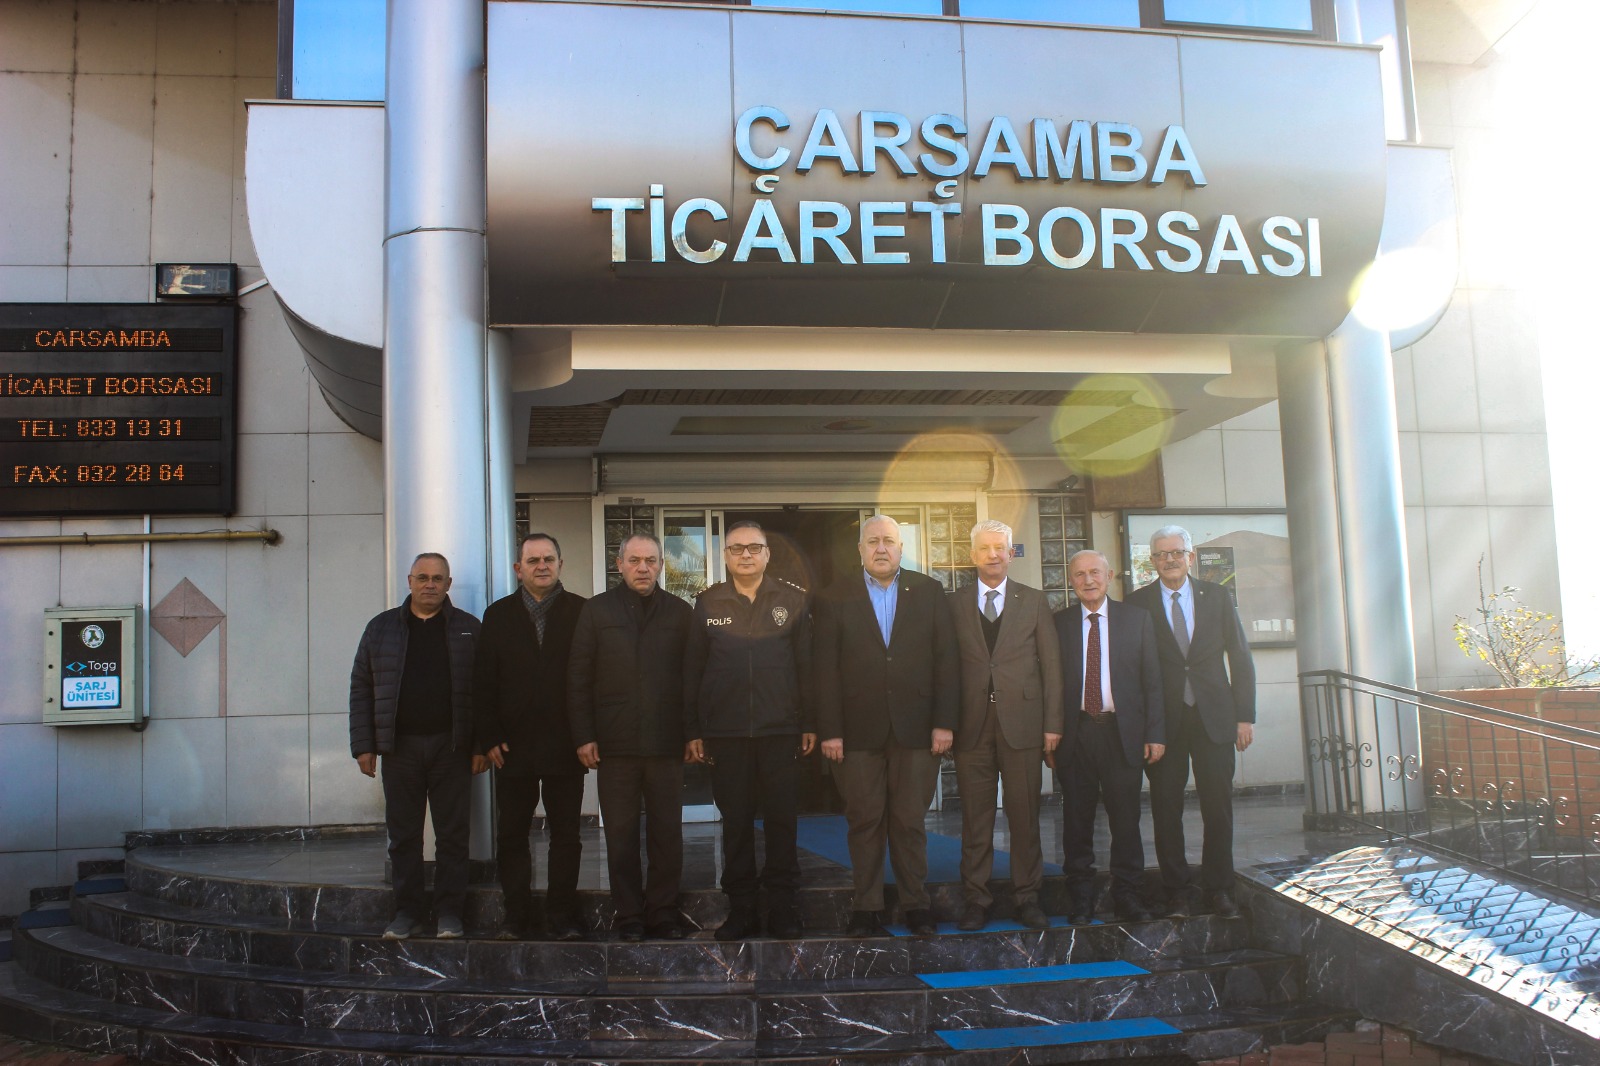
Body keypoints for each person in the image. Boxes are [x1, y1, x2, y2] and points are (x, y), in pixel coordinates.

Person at [814, 514, 959, 937]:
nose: (881, 548)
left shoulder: (929, 591)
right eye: (873, 541)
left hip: (917, 728)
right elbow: (824, 669)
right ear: (860, 549)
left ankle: (916, 905)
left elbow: (947, 660)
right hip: (855, 732)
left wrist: (944, 722)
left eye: (889, 541)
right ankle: (867, 906)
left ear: (901, 548)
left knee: (910, 822)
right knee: (864, 821)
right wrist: (830, 730)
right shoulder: (833, 596)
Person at [684, 520, 817, 941]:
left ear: (767, 554)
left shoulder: (792, 600)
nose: (745, 555)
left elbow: (806, 667)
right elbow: (692, 672)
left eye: (754, 548)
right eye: (737, 548)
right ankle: (741, 910)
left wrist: (809, 722)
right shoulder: (707, 603)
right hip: (726, 734)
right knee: (736, 825)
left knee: (782, 822)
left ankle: (783, 910)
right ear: (725, 556)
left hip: (780, 731)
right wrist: (694, 729)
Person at [349, 552, 482, 941]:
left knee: (452, 835)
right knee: (404, 835)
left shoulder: (469, 629)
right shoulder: (381, 629)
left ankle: (450, 914)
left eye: (437, 578)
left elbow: (484, 691)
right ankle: (407, 913)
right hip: (399, 749)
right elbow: (361, 687)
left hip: (451, 748)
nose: (430, 585)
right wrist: (364, 745)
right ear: (409, 581)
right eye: (422, 577)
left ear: (448, 584)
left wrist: (480, 745)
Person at [1126, 525, 1256, 919]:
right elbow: (1132, 669)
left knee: (1218, 807)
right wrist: (1142, 728)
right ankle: (1177, 893)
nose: (1169, 560)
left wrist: (1245, 716)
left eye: (1176, 552)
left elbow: (1240, 656)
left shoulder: (1216, 597)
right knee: (1166, 809)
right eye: (1161, 554)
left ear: (1190, 557)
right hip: (1163, 724)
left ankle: (1220, 890)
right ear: (1152, 561)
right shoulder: (1137, 603)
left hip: (1215, 718)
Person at [568, 533, 694, 941]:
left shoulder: (680, 612)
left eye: (651, 560)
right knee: (620, 836)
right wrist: (584, 735)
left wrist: (692, 733)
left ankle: (663, 913)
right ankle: (629, 916)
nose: (643, 568)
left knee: (666, 835)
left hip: (666, 743)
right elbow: (579, 677)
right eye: (635, 560)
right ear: (619, 564)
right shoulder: (596, 611)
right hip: (615, 743)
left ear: (661, 566)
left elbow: (692, 678)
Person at [948, 519, 1064, 931]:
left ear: (1011, 553)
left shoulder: (1033, 600)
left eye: (1000, 547)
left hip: (1024, 725)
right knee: (975, 818)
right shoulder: (954, 604)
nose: (993, 554)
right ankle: (976, 900)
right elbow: (945, 667)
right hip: (971, 726)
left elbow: (1051, 665)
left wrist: (1052, 725)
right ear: (972, 555)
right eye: (985, 548)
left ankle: (1027, 898)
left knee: (1024, 815)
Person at [474, 532, 588, 941]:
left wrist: (588, 735)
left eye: (549, 559)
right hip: (512, 747)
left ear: (560, 564)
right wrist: (488, 736)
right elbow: (483, 681)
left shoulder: (582, 612)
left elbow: (593, 678)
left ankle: (562, 916)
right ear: (518, 568)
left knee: (566, 836)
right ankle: (516, 916)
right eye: (533, 560)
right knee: (512, 835)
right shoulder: (497, 615)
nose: (542, 566)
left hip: (566, 744)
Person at [1054, 548, 1165, 924]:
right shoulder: (1059, 623)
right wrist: (1049, 734)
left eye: (1095, 573)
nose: (1088, 580)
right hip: (1076, 734)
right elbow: (1048, 684)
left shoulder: (1136, 619)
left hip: (1123, 734)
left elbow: (1153, 681)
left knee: (1126, 820)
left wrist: (1155, 733)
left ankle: (1128, 896)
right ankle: (1080, 899)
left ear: (1110, 576)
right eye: (1080, 574)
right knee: (1076, 821)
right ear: (1071, 581)